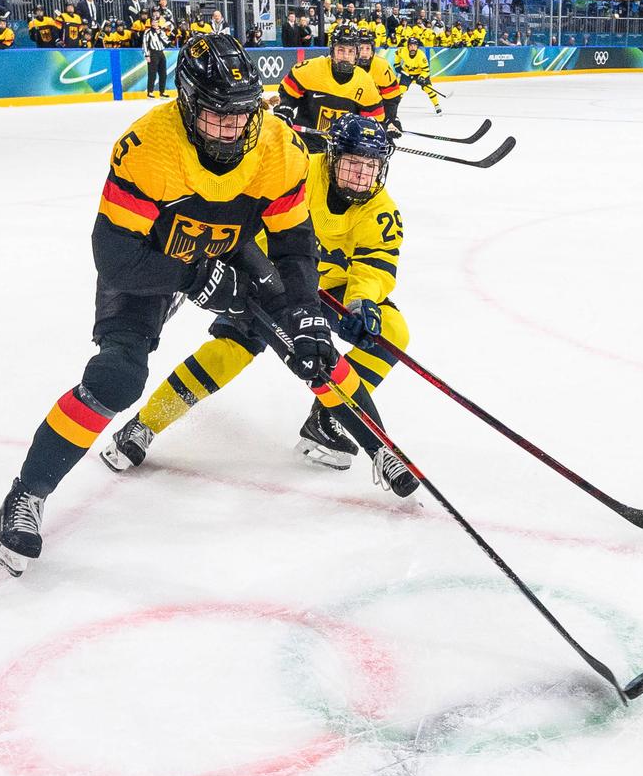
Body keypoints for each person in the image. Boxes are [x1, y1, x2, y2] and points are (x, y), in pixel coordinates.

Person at [0, 37, 395, 574]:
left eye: (244, 114)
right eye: (217, 117)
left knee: (310, 343)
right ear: (186, 103)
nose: (233, 129)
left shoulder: (277, 144)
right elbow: (114, 258)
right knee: (116, 377)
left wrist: (305, 311)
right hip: (150, 259)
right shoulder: (148, 147)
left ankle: (378, 443)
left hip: (233, 247)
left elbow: (296, 244)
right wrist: (195, 276)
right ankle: (27, 494)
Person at [100, 113, 415, 494]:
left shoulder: (382, 210)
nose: (361, 175)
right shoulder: (299, 171)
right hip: (268, 276)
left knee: (391, 331)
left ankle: (329, 419)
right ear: (332, 158)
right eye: (352, 163)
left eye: (371, 166)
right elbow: (254, 228)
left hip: (331, 289)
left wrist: (362, 303)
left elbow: (375, 265)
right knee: (234, 349)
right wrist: (268, 289)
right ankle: (145, 424)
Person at [276, 23, 386, 149]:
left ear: (357, 54)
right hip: (305, 145)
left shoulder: (366, 82)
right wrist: (285, 109)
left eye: (350, 51)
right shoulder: (311, 69)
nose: (345, 56)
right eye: (341, 50)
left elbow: (374, 120)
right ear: (332, 50)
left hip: (342, 150)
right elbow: (288, 91)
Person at [395, 38, 442, 115]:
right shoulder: (402, 50)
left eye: (415, 45)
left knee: (428, 89)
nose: (413, 47)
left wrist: (422, 77)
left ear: (417, 47)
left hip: (420, 73)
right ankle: (394, 108)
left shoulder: (421, 56)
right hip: (407, 73)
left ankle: (437, 105)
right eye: (411, 45)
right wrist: (397, 64)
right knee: (401, 90)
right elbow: (397, 53)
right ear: (408, 46)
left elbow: (426, 71)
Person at [142, 16, 171, 97]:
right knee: (152, 73)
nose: (155, 23)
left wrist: (166, 33)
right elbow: (145, 43)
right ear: (151, 23)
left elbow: (166, 41)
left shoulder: (161, 31)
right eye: (153, 22)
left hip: (161, 53)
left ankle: (162, 91)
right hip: (153, 53)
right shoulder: (148, 32)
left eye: (156, 21)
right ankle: (150, 91)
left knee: (163, 73)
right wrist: (147, 55)